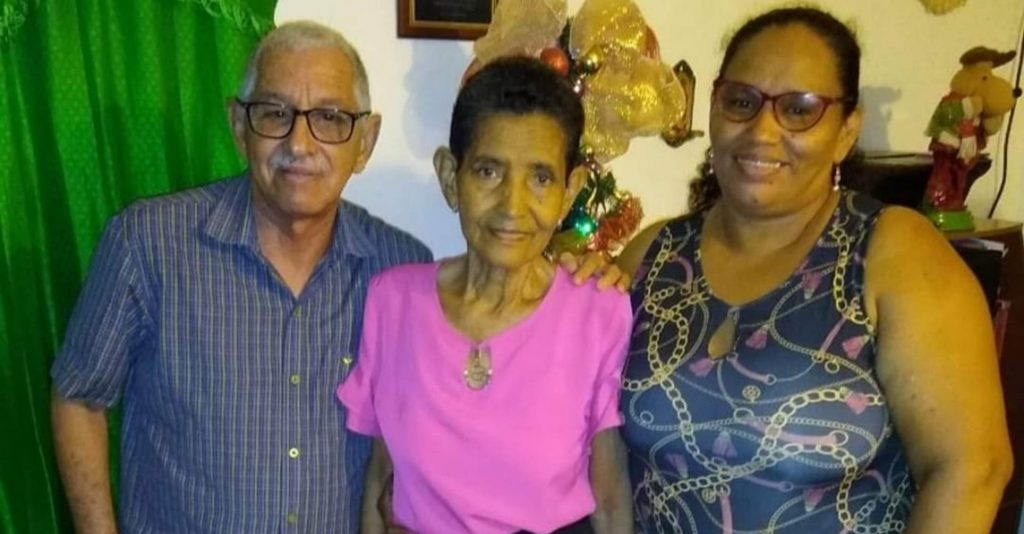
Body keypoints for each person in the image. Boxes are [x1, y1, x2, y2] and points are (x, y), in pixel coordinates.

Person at [615, 7, 1013, 533]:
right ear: (713, 109)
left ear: (847, 130)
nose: (762, 130)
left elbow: (971, 469)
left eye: (799, 109)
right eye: (741, 101)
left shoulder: (895, 254)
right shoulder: (653, 256)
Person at [48, 21, 434, 533]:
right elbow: (78, 396)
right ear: (238, 126)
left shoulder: (403, 271)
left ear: (364, 142)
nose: (300, 143)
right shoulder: (148, 245)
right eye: (275, 113)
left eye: (329, 117)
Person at [336, 57, 634, 534]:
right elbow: (379, 480)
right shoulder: (393, 302)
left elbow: (612, 503)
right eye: (489, 172)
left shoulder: (598, 312)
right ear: (450, 177)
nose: (513, 206)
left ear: (570, 191)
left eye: (541, 178)